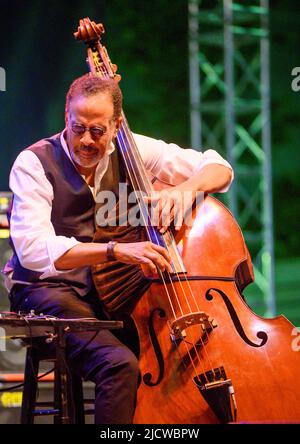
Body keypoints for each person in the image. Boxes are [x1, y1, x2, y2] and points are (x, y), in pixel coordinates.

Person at [4, 73, 233, 424]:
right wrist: (116, 251)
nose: (85, 140)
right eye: (77, 128)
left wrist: (186, 189)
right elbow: (35, 252)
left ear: (116, 126)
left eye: (97, 131)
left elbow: (220, 168)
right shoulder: (34, 163)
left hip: (109, 295)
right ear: (66, 117)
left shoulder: (132, 149)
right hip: (46, 291)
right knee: (119, 364)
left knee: (174, 353)